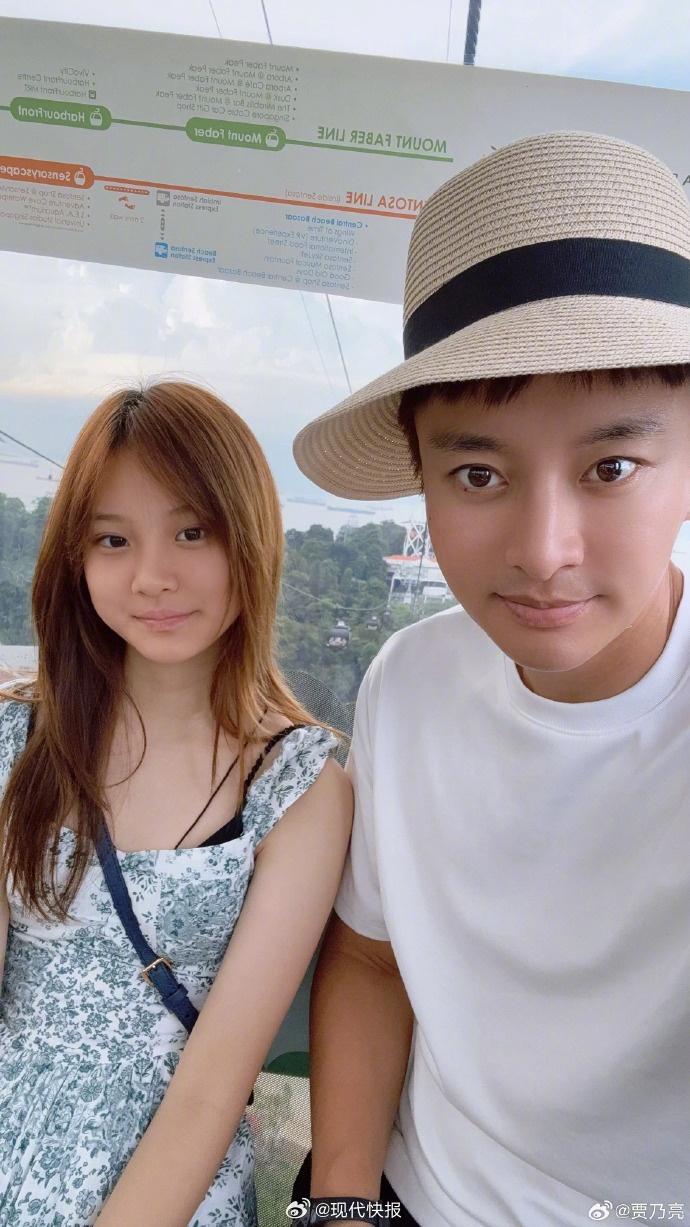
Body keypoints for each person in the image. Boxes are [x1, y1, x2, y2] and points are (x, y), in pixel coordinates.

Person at [290, 131, 690, 1225]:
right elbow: (373, 960)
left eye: (612, 466)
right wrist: (343, 1205)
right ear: (420, 476)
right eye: (477, 472)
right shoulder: (410, 682)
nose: (543, 550)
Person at [0, 380, 352, 1227]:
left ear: (250, 536)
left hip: (170, 1188)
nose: (153, 576)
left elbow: (212, 1087)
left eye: (192, 531)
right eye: (112, 539)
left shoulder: (296, 785)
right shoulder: (19, 741)